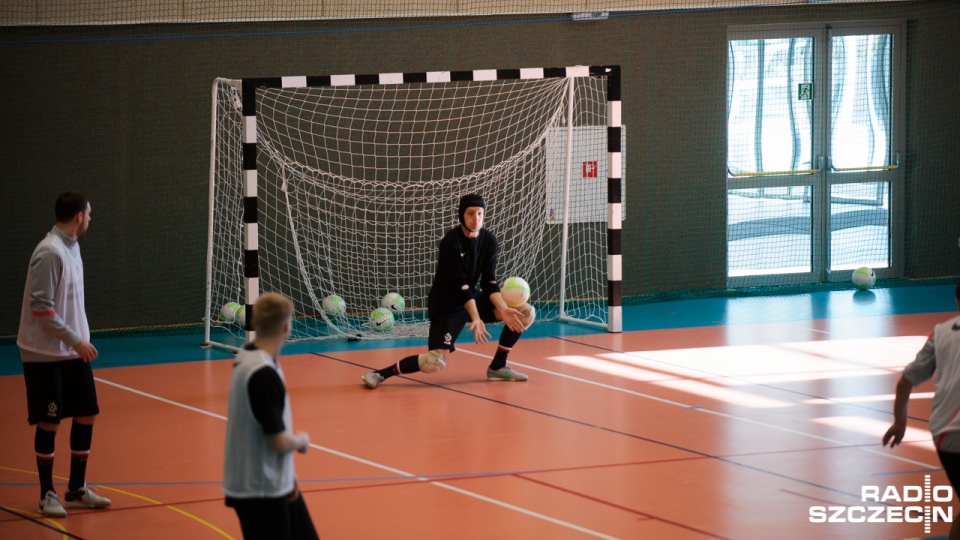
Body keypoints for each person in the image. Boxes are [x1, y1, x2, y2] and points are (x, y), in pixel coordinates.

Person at [362, 193, 535, 389]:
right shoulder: (451, 242)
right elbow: (461, 287)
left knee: (526, 312)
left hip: (471, 296)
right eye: (471, 213)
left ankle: (498, 366)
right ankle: (380, 374)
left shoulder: (489, 240)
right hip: (447, 304)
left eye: (480, 213)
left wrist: (503, 309)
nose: (476, 218)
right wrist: (476, 318)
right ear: (462, 215)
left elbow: (489, 282)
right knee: (434, 363)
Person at [17, 191, 112, 517]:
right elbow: (42, 309)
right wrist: (76, 341)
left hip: (72, 351)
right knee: (50, 421)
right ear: (77, 217)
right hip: (45, 354)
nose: (90, 218)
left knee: (87, 413)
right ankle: (47, 495)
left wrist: (78, 340)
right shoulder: (49, 252)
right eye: (89, 213)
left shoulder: (73, 247)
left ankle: (75, 488)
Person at [223, 292, 318, 540]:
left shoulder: (248, 356)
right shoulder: (262, 373)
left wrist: (289, 477)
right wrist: (301, 440)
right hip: (261, 491)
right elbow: (277, 441)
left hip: (275, 482)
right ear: (286, 327)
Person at [883, 280, 960, 540]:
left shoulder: (941, 333)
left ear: (957, 302)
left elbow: (905, 381)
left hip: (944, 435)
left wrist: (899, 423)